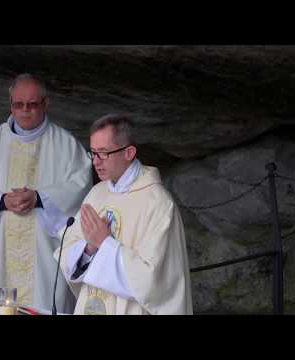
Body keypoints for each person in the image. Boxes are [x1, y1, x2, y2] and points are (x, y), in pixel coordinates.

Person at [0, 74, 92, 313]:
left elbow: (80, 186)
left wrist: (40, 198)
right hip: (0, 256)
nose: (25, 110)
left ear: (46, 104)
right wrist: (1, 201)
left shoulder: (66, 145)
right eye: (19, 104)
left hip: (45, 259)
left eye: (32, 104)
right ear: (11, 105)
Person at [55, 114, 193, 314]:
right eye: (93, 153)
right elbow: (68, 250)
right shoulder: (96, 194)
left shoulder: (158, 203)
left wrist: (105, 244)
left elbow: (155, 280)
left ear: (129, 152)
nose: (96, 161)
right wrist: (89, 249)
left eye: (103, 153)